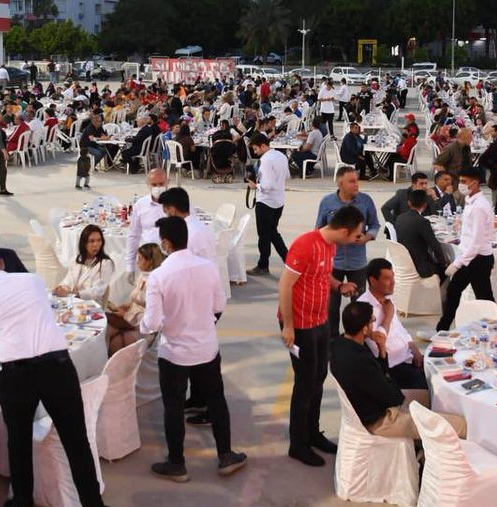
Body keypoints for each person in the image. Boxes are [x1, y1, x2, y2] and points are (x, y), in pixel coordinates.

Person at [0, 245, 114, 507]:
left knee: (18, 442)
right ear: (0, 262)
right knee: (75, 438)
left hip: (16, 374)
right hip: (56, 366)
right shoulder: (32, 281)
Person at [140, 217, 246, 481]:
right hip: (206, 348)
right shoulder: (208, 267)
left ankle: (177, 463)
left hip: (174, 353)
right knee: (217, 401)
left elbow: (151, 323)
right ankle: (225, 455)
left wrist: (154, 324)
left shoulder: (158, 276)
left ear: (165, 244)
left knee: (173, 407)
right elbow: (219, 304)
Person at [277, 205, 365, 466]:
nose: (357, 239)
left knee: (318, 378)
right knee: (304, 384)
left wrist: (340, 285)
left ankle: (313, 433)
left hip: (320, 321)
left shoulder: (331, 246)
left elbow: (323, 275)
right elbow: (285, 285)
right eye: (356, 235)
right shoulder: (305, 245)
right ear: (343, 230)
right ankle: (298, 443)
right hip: (300, 325)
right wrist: (289, 326)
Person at [330, 301, 466, 440]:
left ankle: (430, 443)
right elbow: (393, 398)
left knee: (431, 397)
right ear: (364, 328)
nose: (374, 325)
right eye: (372, 321)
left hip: (375, 404)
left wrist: (382, 349)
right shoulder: (360, 360)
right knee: (460, 425)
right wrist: (392, 385)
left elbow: (381, 378)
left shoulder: (342, 344)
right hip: (381, 419)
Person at [316, 167, 380, 336]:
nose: (356, 185)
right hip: (333, 263)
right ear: (340, 183)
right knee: (331, 307)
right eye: (351, 181)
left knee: (358, 306)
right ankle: (332, 344)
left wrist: (367, 237)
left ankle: (357, 340)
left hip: (357, 263)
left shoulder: (365, 201)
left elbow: (375, 224)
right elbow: (319, 229)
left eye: (357, 180)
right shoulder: (327, 202)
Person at [436, 168, 495, 331]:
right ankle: (442, 329)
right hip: (472, 257)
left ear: (475, 183)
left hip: (478, 259)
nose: (460, 185)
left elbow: (476, 242)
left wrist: (458, 263)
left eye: (463, 182)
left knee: (485, 299)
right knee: (454, 291)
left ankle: (495, 329)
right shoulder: (471, 201)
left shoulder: (479, 207)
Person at [357, 259, 427, 390]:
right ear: (373, 281)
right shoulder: (363, 308)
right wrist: (388, 316)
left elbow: (401, 331)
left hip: (409, 358)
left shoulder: (387, 300)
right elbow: (378, 342)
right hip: (394, 366)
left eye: (393, 277)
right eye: (387, 279)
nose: (393, 283)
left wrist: (415, 350)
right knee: (432, 391)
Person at [105, 243, 164, 355]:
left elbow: (151, 316)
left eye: (140, 259)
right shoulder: (143, 276)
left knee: (116, 341)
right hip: (131, 319)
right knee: (107, 328)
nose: (137, 262)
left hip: (143, 328)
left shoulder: (155, 282)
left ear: (150, 261)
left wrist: (125, 315)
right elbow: (136, 299)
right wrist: (125, 306)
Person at [247, 133, 290, 275]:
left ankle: (263, 264)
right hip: (279, 200)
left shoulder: (266, 160)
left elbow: (268, 184)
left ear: (263, 146)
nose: (255, 152)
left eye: (256, 149)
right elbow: (287, 175)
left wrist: (256, 186)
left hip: (266, 201)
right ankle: (288, 260)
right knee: (272, 232)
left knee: (264, 235)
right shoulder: (281, 155)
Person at [393, 189, 448, 280]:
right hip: (419, 265)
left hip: (403, 262)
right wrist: (444, 263)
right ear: (425, 205)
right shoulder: (422, 222)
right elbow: (434, 245)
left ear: (409, 203)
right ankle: (434, 292)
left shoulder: (399, 218)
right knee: (446, 270)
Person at [125, 168, 169, 279]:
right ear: (148, 184)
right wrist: (130, 265)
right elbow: (133, 235)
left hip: (169, 262)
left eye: (161, 184)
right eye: (154, 185)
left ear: (168, 182)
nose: (158, 188)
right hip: (147, 262)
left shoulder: (177, 205)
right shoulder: (140, 205)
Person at [55, 224, 116, 304]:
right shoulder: (76, 260)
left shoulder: (105, 264)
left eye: (99, 240)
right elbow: (68, 281)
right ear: (84, 243)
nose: (96, 245)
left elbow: (97, 292)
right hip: (72, 302)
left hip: (91, 305)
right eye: (92, 241)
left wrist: (73, 294)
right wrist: (61, 288)